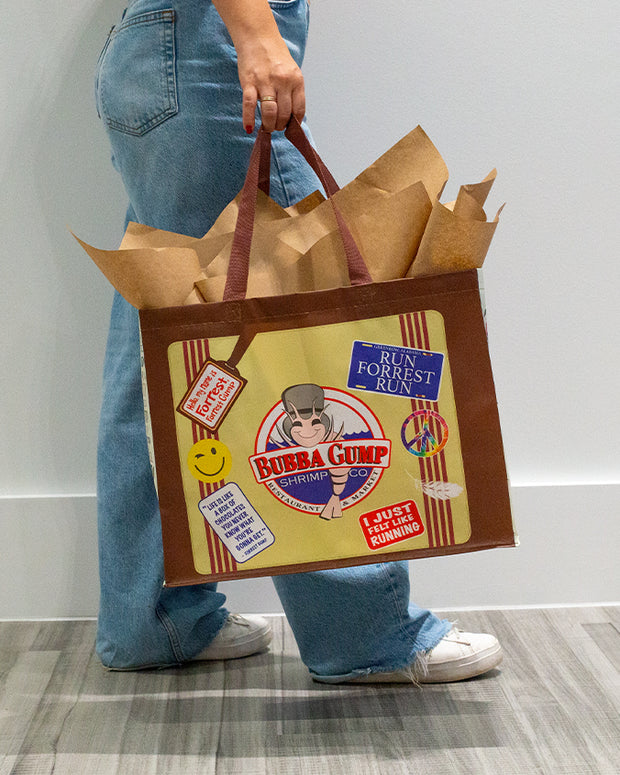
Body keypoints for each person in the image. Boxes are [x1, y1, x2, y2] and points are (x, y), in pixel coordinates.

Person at [93, 0, 503, 682]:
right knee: (303, 317)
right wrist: (255, 33)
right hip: (210, 54)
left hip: (158, 52)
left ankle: (154, 619)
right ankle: (364, 634)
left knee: (165, 342)